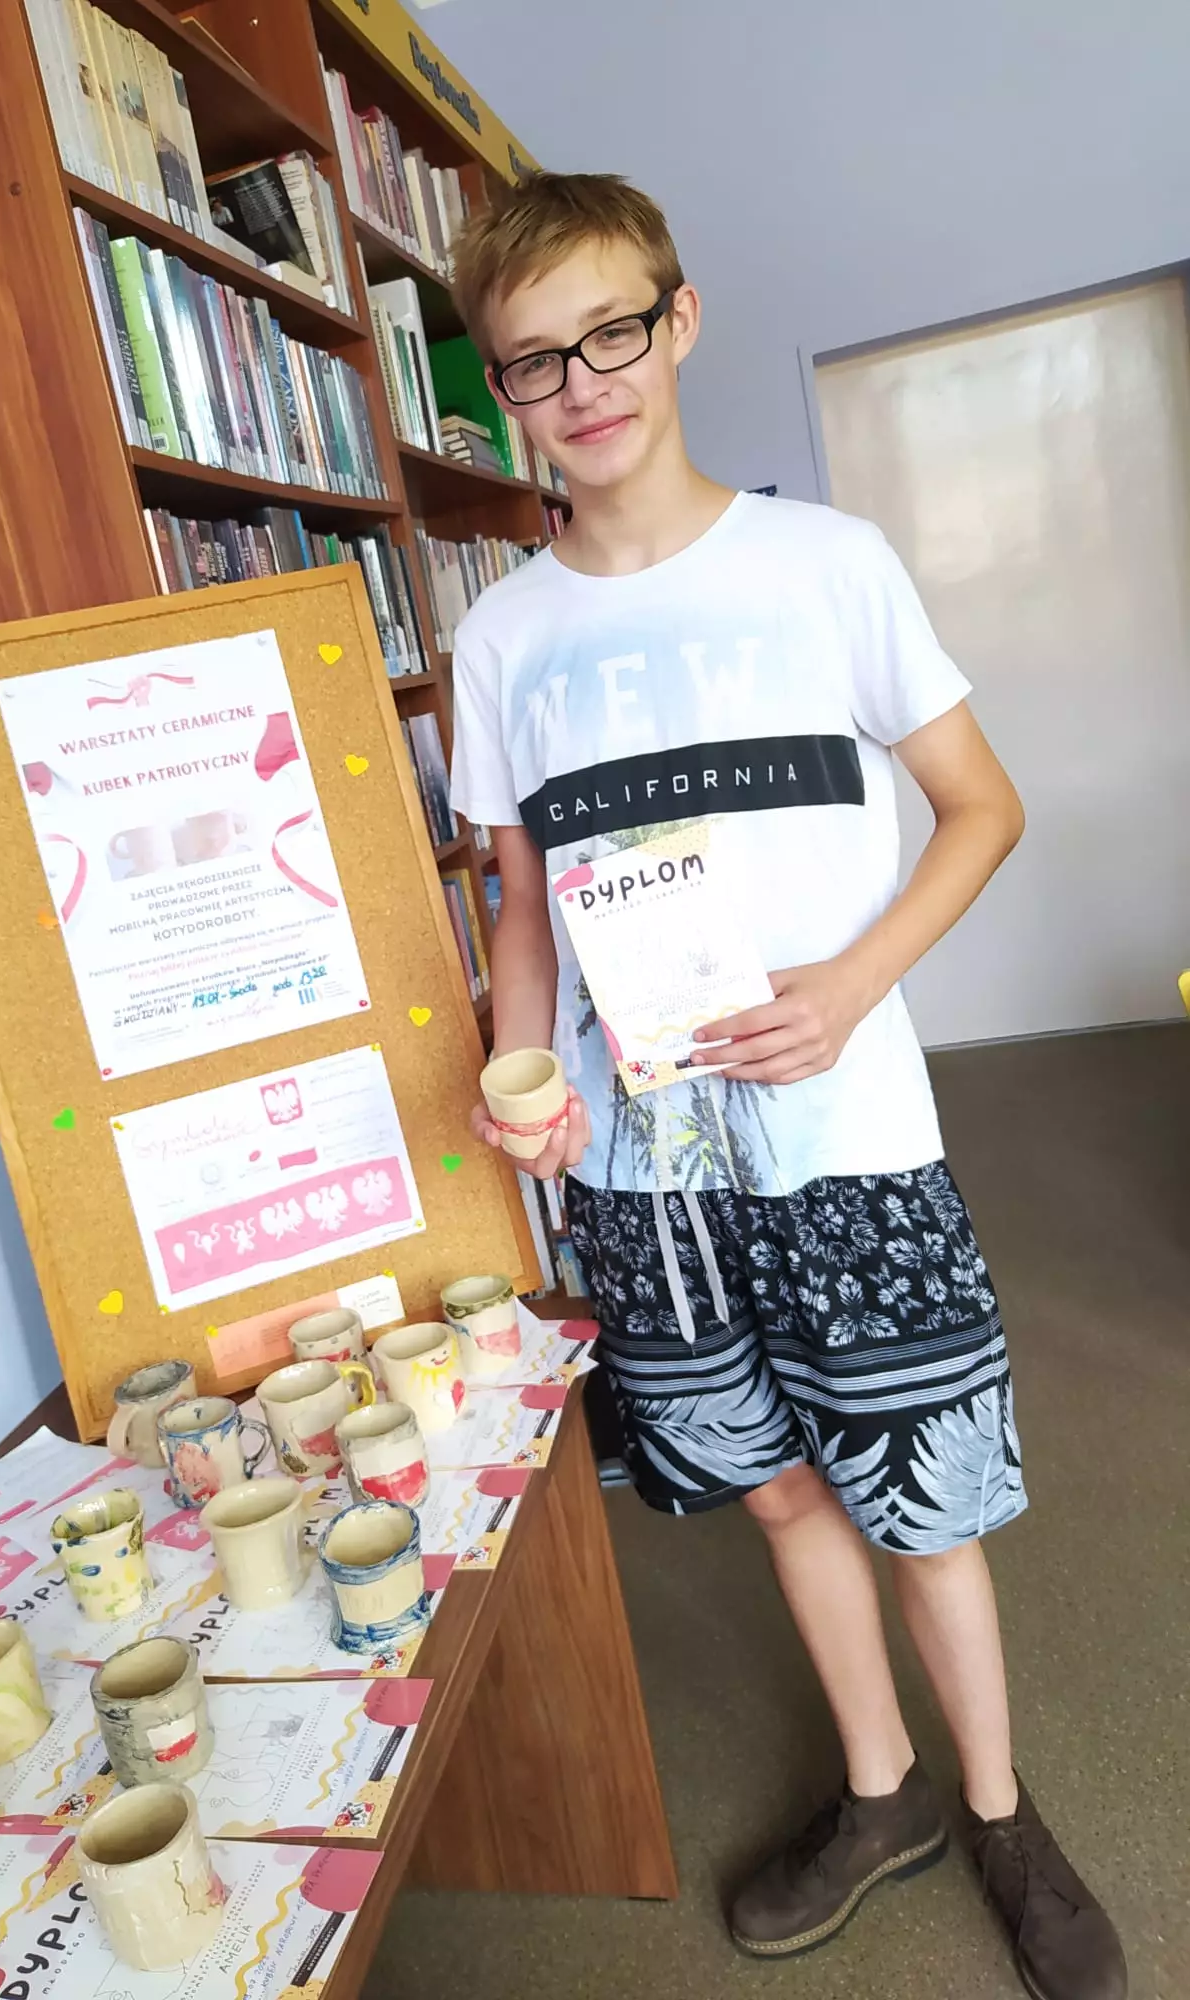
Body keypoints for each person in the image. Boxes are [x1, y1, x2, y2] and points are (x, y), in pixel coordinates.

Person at [447, 172, 1126, 2000]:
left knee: (923, 1496)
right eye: (533, 361)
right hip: (646, 1175)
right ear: (500, 391)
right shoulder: (501, 638)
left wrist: (851, 982)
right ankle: (883, 1790)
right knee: (773, 1490)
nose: (582, 384)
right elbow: (520, 901)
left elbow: (981, 807)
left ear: (677, 321)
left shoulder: (827, 563)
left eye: (610, 332)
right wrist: (522, 1075)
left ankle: (1002, 1811)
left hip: (848, 1138)